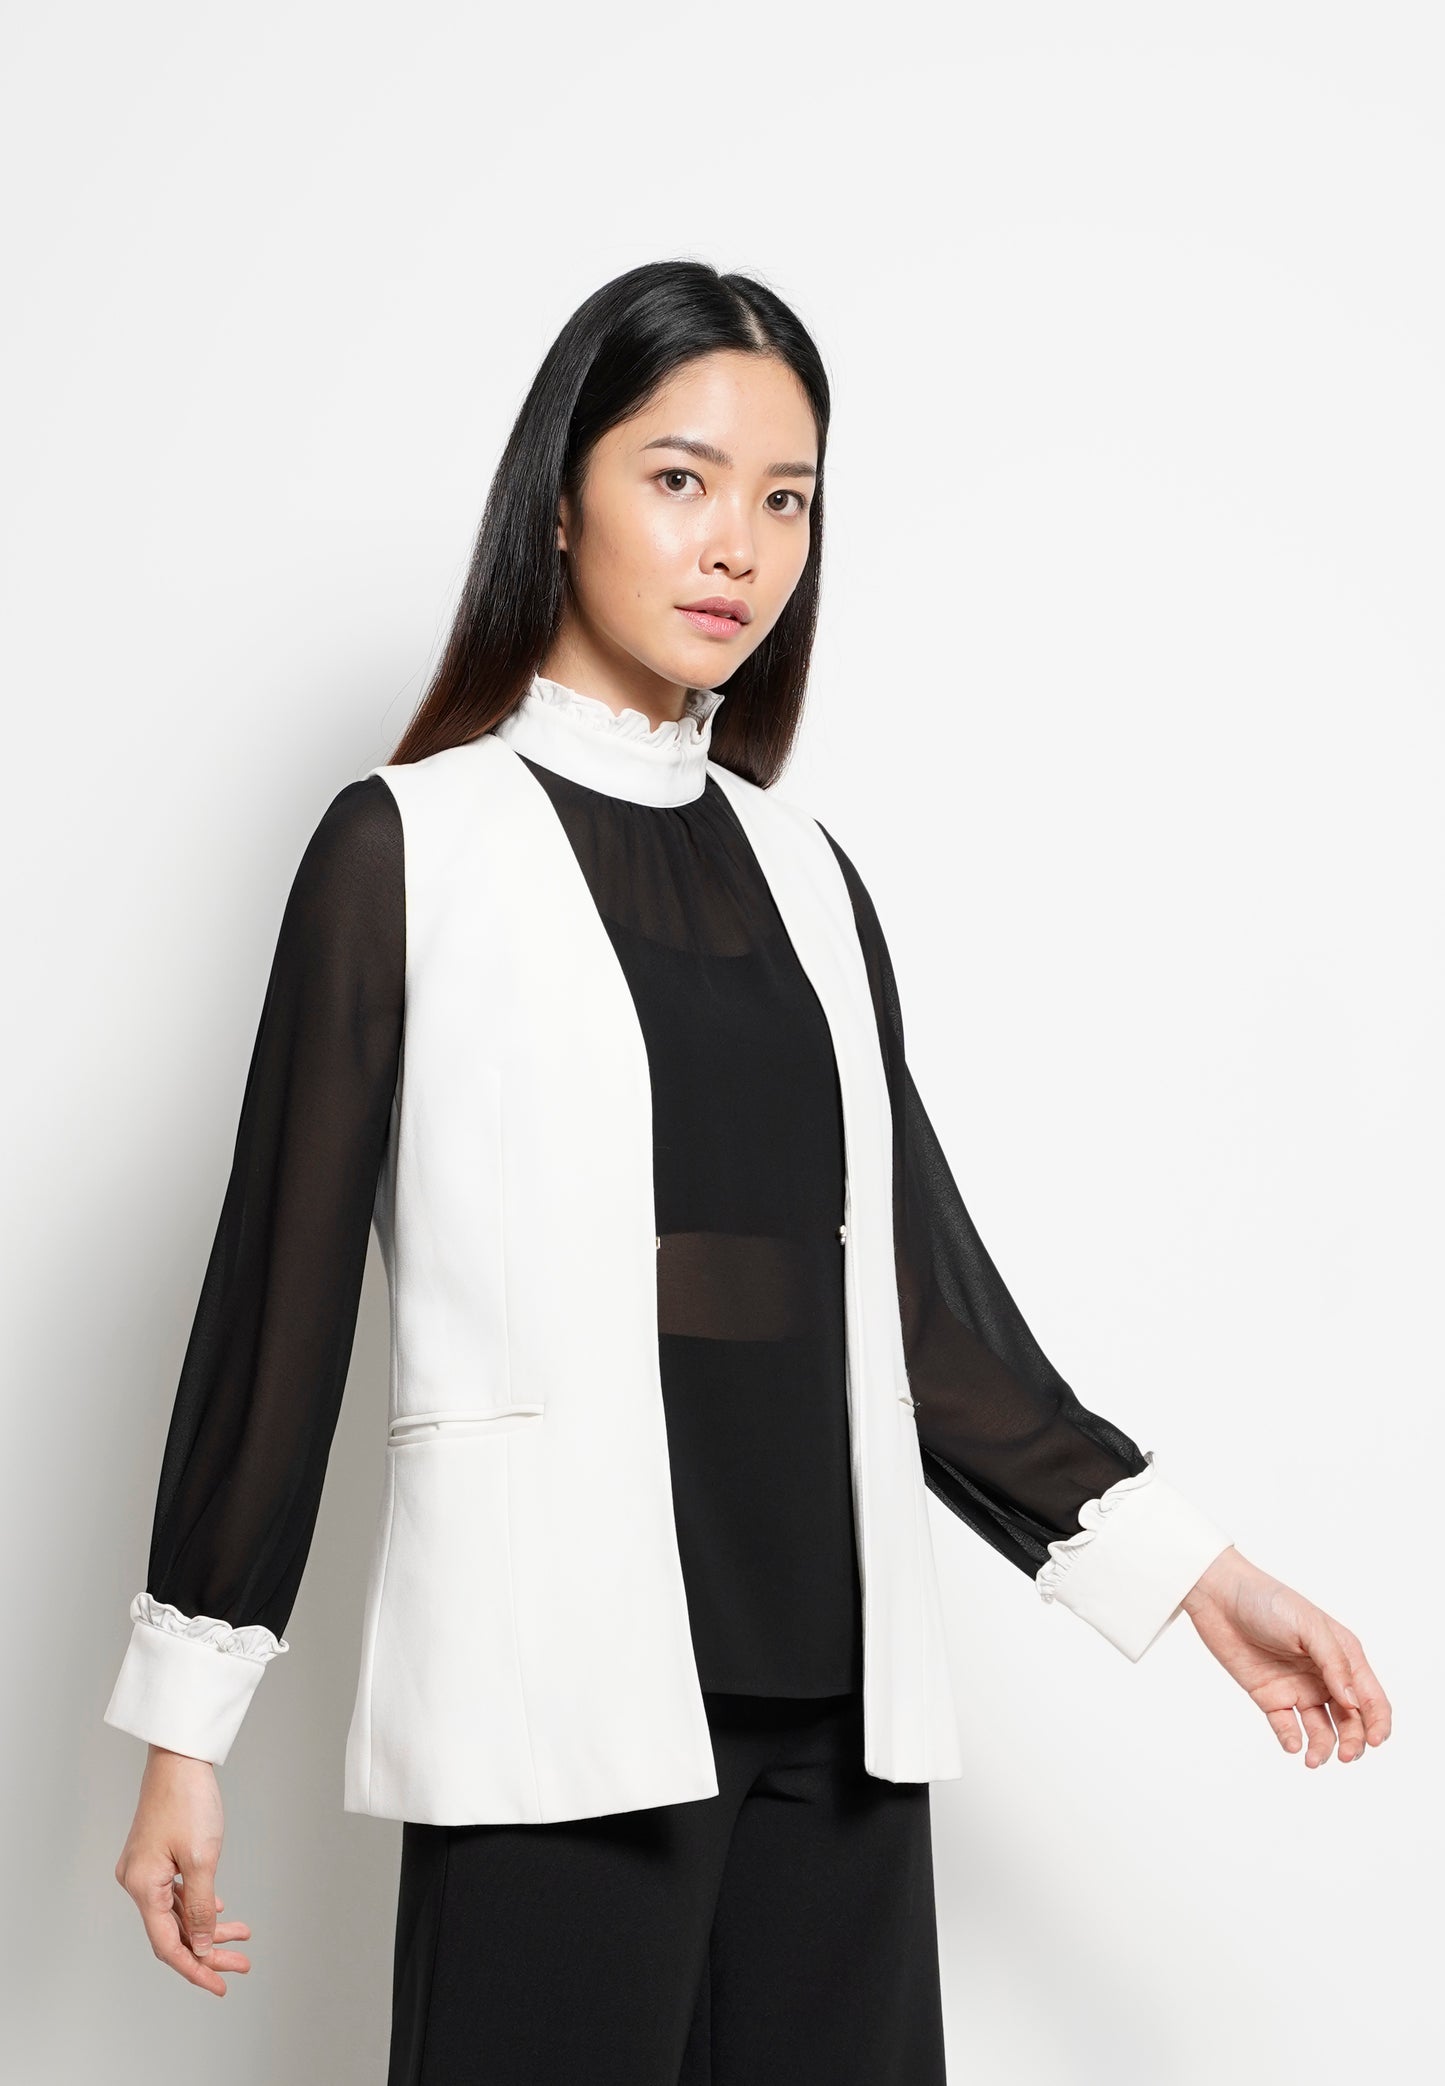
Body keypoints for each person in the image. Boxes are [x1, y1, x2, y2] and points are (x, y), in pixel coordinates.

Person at [105, 259, 1392, 2083]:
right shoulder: (409, 850)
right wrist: (186, 1727)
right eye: (680, 478)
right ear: (559, 500)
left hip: (837, 1714)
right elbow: (278, 1307)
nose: (739, 545)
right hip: (555, 1698)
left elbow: (919, 1310)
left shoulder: (807, 873)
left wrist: (1201, 1579)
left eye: (786, 499)